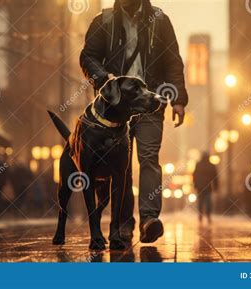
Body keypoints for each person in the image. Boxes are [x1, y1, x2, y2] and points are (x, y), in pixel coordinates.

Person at [80, 0, 188, 243]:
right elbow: (88, 56)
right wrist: (103, 78)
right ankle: (124, 223)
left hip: (149, 102)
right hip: (117, 108)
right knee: (122, 166)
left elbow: (172, 60)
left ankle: (149, 219)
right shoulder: (104, 21)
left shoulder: (159, 21)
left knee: (149, 157)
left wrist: (178, 98)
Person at [193, 152, 218, 224]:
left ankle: (200, 215)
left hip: (200, 187)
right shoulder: (211, 165)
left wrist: (195, 184)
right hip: (208, 187)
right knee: (208, 202)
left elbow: (194, 175)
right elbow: (215, 177)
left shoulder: (198, 164)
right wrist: (216, 186)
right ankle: (208, 215)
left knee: (201, 202)